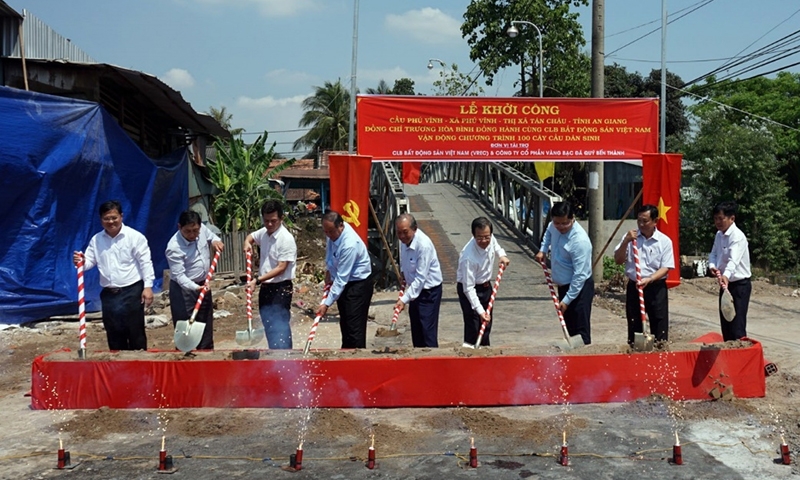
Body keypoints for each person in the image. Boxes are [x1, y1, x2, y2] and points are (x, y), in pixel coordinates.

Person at [73, 200, 155, 350]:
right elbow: (90, 261)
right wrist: (81, 262)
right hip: (109, 294)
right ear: (101, 220)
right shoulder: (96, 240)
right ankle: (118, 367)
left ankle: (139, 366)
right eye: (106, 218)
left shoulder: (134, 237)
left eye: (114, 217)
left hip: (132, 291)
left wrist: (148, 287)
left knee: (135, 332)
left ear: (121, 216)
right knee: (114, 333)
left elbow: (145, 263)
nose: (111, 222)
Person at [613, 204, 674, 346]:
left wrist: (650, 279)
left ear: (654, 221)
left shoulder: (664, 241)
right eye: (639, 220)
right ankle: (635, 351)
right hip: (635, 286)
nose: (641, 224)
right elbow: (618, 260)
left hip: (655, 286)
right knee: (635, 322)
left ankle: (660, 351)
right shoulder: (630, 238)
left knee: (659, 321)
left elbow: (666, 267)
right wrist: (626, 241)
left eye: (645, 221)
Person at [534, 201, 593, 345]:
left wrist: (566, 300)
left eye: (565, 223)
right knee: (568, 327)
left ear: (572, 219)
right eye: (557, 223)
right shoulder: (553, 226)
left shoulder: (580, 241)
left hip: (579, 287)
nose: (560, 227)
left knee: (580, 329)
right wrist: (543, 249)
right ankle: (572, 359)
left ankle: (583, 359)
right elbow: (548, 232)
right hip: (563, 285)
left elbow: (580, 276)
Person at [165, 210, 224, 350]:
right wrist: (196, 288)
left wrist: (216, 241)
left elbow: (212, 236)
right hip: (184, 290)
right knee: (188, 329)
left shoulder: (202, 229)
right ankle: (186, 360)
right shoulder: (173, 248)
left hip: (204, 284)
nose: (192, 235)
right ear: (180, 227)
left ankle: (207, 356)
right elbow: (180, 276)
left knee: (205, 323)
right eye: (188, 231)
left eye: (195, 231)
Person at [243, 200, 298, 349]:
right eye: (266, 221)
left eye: (273, 221)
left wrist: (257, 280)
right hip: (266, 288)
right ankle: (274, 355)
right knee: (268, 324)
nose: (269, 224)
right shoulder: (264, 233)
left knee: (280, 325)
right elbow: (251, 237)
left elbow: (281, 267)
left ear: (281, 219)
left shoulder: (286, 239)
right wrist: (247, 243)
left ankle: (285, 357)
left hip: (281, 289)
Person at [315, 211, 373, 349]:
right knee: (345, 325)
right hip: (344, 283)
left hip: (357, 285)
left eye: (331, 231)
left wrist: (327, 303)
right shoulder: (332, 234)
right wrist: (328, 271)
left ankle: (356, 361)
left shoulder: (349, 244)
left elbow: (341, 279)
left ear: (340, 226)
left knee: (354, 329)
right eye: (326, 232)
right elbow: (330, 255)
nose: (328, 235)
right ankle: (345, 356)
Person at [457, 217, 511, 347]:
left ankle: (485, 351)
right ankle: (470, 353)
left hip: (486, 287)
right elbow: (468, 288)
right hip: (470, 289)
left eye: (487, 237)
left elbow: (495, 244)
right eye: (479, 238)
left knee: (486, 325)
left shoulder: (490, 238)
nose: (484, 241)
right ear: (473, 235)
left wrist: (502, 255)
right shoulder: (468, 258)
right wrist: (481, 311)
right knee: (474, 325)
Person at [395, 213, 444, 348]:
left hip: (429, 291)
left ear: (414, 228)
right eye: (399, 233)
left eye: (405, 232)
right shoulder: (403, 242)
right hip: (414, 290)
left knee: (427, 329)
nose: (402, 236)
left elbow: (421, 278)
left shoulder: (424, 245)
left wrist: (403, 299)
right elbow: (405, 259)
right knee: (416, 329)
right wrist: (404, 273)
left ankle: (432, 363)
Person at [708, 201, 752, 341]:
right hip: (725, 284)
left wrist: (725, 276)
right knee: (726, 322)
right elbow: (713, 253)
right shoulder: (719, 235)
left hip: (739, 285)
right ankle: (728, 351)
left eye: (721, 219)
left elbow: (734, 260)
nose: (718, 222)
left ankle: (740, 355)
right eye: (716, 219)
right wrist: (712, 266)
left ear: (731, 218)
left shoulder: (737, 237)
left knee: (737, 324)